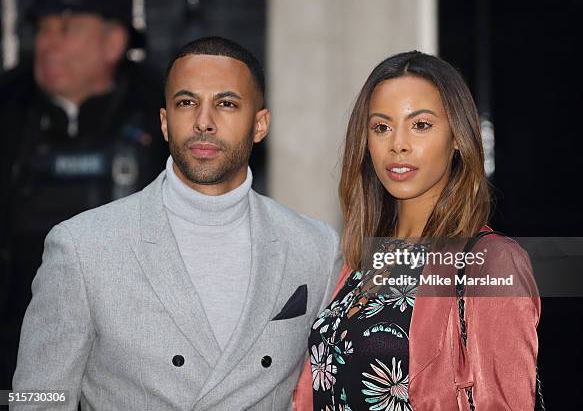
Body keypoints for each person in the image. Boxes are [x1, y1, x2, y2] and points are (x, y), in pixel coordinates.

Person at [12, 35, 342, 410]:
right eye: (187, 103)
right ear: (165, 122)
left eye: (227, 104)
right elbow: (35, 399)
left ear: (260, 124)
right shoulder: (82, 247)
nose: (204, 122)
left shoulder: (315, 247)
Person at [293, 51, 541, 409]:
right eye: (381, 127)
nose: (398, 144)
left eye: (420, 125)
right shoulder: (359, 262)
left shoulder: (491, 263)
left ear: (457, 137)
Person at [0, 0, 166, 388]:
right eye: (43, 28)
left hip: (135, 364)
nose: (48, 43)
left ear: (113, 41)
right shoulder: (7, 111)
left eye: (68, 28)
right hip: (16, 355)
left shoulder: (164, 116)